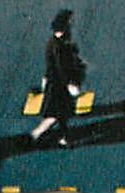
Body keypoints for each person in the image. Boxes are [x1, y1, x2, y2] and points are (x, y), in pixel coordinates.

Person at [29, 9, 86, 147]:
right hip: (57, 85)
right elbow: (61, 67)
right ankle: (36, 135)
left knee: (60, 114)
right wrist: (70, 84)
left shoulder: (55, 42)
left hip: (55, 83)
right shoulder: (58, 46)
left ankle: (60, 137)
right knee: (57, 114)